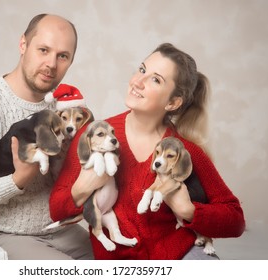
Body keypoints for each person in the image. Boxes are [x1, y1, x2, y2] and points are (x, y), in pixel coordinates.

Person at [49, 43, 246, 259]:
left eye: (155, 79)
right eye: (142, 70)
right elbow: (56, 209)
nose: (138, 82)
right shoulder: (94, 134)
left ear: (172, 102)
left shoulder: (184, 150)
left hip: (181, 255)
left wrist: (188, 210)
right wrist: (81, 189)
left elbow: (236, 220)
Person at [0, 14, 94, 260]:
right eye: (43, 50)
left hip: (57, 229)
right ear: (23, 44)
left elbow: (75, 169)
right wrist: (17, 181)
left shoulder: (67, 106)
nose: (51, 64)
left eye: (62, 56)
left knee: (120, 262)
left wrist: (81, 199)